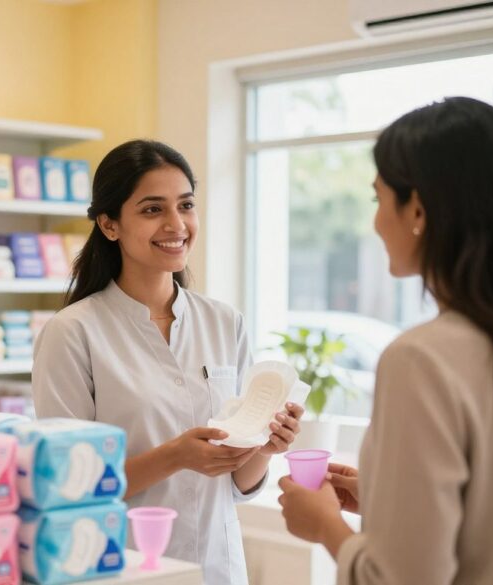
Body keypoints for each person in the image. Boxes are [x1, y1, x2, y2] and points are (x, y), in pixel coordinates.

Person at [277, 97, 493, 584]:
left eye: (379, 199)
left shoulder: (422, 360)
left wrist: (325, 525)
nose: (376, 222)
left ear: (416, 207)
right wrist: (387, 502)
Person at [32, 139, 304, 585]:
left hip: (219, 568)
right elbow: (68, 488)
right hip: (124, 569)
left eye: (186, 205)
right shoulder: (73, 333)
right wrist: (173, 457)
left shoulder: (224, 322)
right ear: (110, 224)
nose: (176, 224)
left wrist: (265, 445)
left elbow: (236, 485)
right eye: (152, 209)